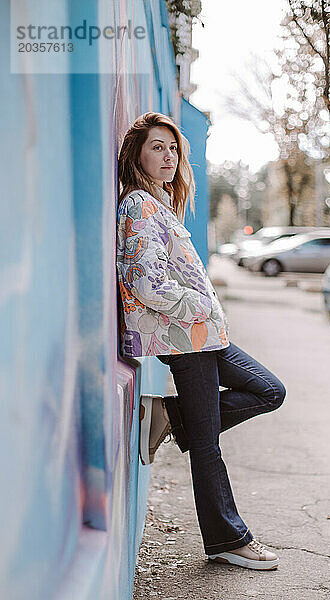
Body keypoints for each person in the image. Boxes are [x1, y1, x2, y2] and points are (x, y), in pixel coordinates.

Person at [117, 112, 286, 570]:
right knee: (208, 444)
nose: (168, 156)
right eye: (156, 146)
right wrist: (200, 306)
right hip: (187, 337)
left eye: (172, 148)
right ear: (137, 154)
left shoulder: (160, 204)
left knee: (270, 391)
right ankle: (228, 539)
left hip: (206, 336)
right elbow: (144, 280)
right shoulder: (137, 206)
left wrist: (206, 314)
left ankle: (171, 413)